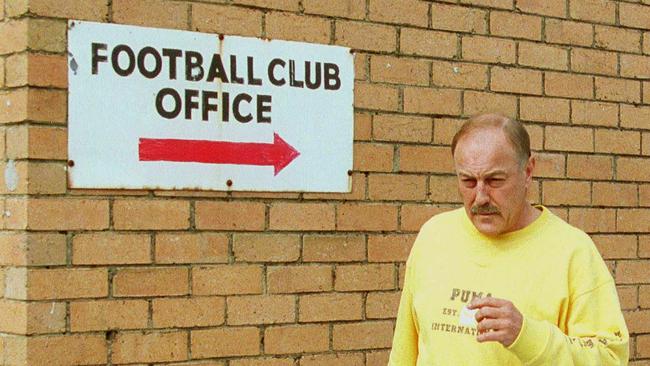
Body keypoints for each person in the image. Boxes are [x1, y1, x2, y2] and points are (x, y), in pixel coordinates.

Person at [388, 114, 629, 365]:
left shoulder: (573, 252)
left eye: (495, 180)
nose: (480, 197)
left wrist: (527, 336)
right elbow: (403, 352)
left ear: (528, 171)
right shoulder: (433, 236)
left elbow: (611, 357)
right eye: (468, 181)